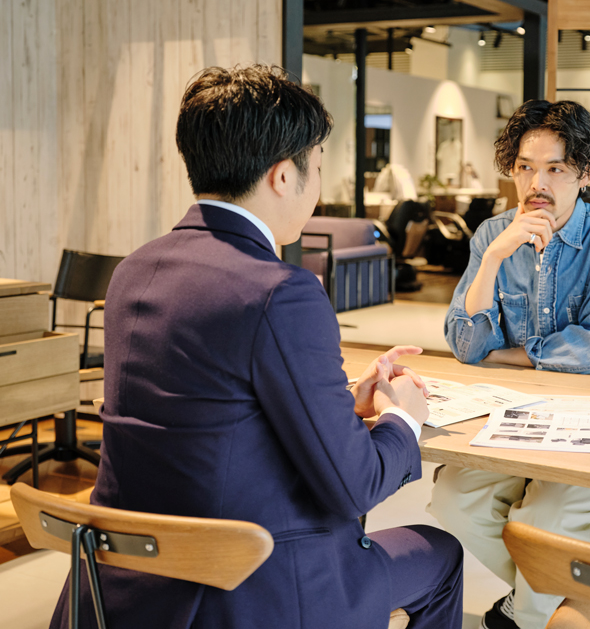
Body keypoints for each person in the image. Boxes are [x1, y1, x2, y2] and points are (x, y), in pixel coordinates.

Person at [50, 65, 464, 629]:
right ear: (281, 176)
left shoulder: (134, 272)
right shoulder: (280, 292)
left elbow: (212, 414)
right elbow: (353, 487)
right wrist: (402, 420)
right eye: (317, 167)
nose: (317, 187)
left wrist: (342, 402)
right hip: (254, 588)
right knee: (441, 553)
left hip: (128, 583)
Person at [428, 99, 590, 629]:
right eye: (525, 166)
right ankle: (565, 608)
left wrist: (503, 353)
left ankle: (524, 617)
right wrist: (496, 258)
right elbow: (463, 340)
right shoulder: (493, 235)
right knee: (453, 501)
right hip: (517, 415)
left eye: (555, 168)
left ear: (586, 172)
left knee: (542, 519)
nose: (535, 183)